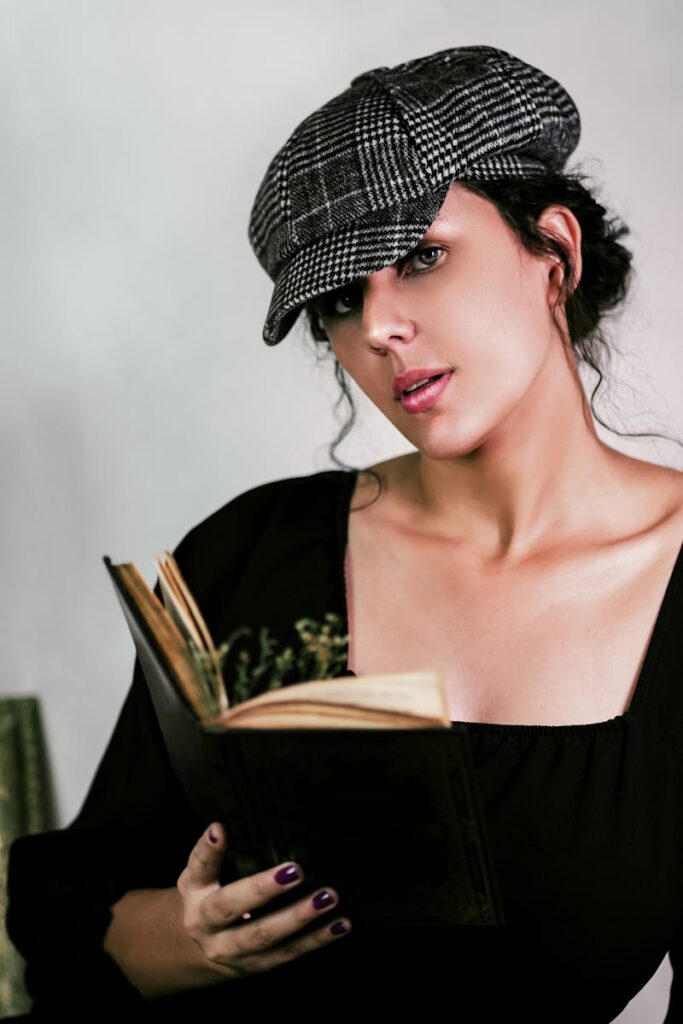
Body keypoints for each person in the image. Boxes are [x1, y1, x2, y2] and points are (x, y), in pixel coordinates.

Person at [6, 44, 683, 1022]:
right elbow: (71, 903)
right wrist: (185, 939)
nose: (378, 328)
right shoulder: (249, 552)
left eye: (419, 257)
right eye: (337, 300)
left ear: (554, 253)